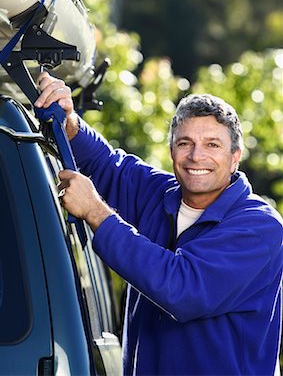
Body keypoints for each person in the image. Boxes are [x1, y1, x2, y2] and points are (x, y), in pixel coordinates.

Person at [35, 72, 283, 376]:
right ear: (171, 151)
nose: (196, 156)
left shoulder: (259, 227)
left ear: (235, 158)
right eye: (185, 143)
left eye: (212, 145)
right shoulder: (160, 195)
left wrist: (96, 213)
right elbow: (106, 164)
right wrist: (69, 121)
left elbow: (183, 289)